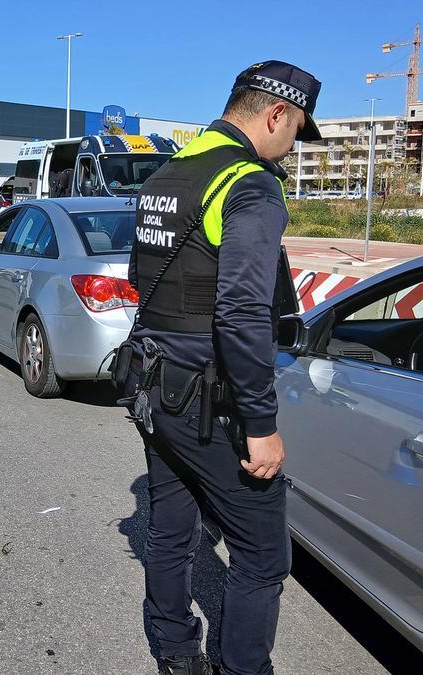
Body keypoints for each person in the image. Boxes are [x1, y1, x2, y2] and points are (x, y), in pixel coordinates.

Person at [118, 61, 322, 675]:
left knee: (171, 525)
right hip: (208, 399)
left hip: (152, 385)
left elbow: (142, 280)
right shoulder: (251, 185)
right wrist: (260, 424)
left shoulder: (168, 173)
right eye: (296, 133)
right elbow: (241, 312)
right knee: (263, 555)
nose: (293, 149)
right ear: (275, 114)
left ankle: (175, 649)